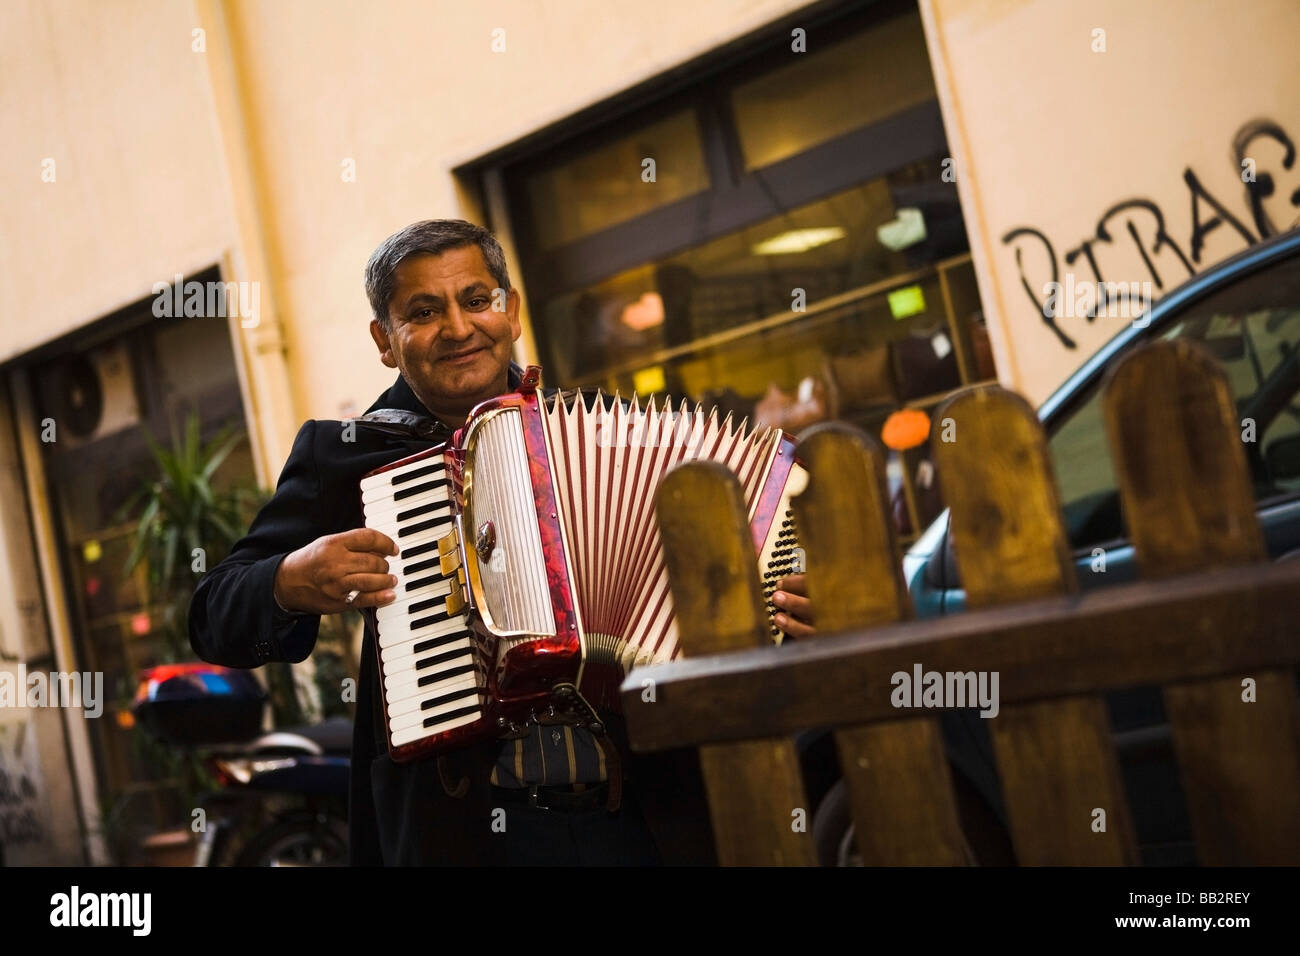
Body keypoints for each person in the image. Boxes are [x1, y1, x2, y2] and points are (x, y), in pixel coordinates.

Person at [188, 219, 815, 865]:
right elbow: (214, 618)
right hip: (467, 828)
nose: (458, 329)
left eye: (476, 300)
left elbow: (705, 595)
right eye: (424, 311)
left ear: (510, 311)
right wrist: (287, 581)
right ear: (384, 340)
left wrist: (777, 603)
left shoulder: (598, 432)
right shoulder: (345, 455)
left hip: (641, 816)